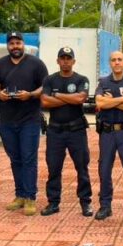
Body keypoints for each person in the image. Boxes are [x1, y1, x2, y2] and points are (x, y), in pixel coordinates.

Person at [0, 32, 49, 216]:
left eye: (18, 42)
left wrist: (30, 94)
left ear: (23, 44)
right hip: (7, 120)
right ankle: (20, 195)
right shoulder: (0, 64)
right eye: (12, 43)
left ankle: (31, 197)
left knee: (28, 159)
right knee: (15, 159)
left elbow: (45, 87)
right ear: (8, 46)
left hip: (29, 120)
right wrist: (0, 95)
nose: (15, 46)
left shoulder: (36, 64)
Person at [40, 46, 93, 217]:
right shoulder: (49, 80)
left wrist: (56, 95)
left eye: (68, 58)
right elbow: (44, 102)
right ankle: (53, 203)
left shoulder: (81, 79)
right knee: (54, 168)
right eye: (62, 58)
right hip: (55, 131)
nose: (65, 61)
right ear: (57, 61)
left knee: (82, 168)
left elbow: (80, 98)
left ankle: (85, 203)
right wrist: (67, 98)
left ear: (73, 61)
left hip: (76, 131)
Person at [94, 50, 123, 221]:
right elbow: (100, 103)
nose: (116, 62)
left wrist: (111, 101)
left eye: (119, 59)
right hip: (107, 132)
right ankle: (105, 206)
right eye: (113, 60)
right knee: (104, 169)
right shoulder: (103, 82)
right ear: (110, 63)